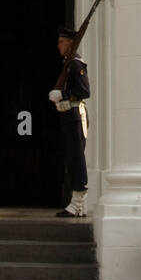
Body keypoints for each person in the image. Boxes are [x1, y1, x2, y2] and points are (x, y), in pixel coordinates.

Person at [50, 26, 91, 217]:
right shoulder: (68, 64)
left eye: (62, 42)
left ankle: (77, 203)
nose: (58, 45)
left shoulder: (75, 65)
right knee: (71, 158)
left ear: (71, 43)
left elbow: (84, 91)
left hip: (75, 116)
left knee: (76, 158)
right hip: (68, 116)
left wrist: (63, 93)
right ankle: (77, 205)